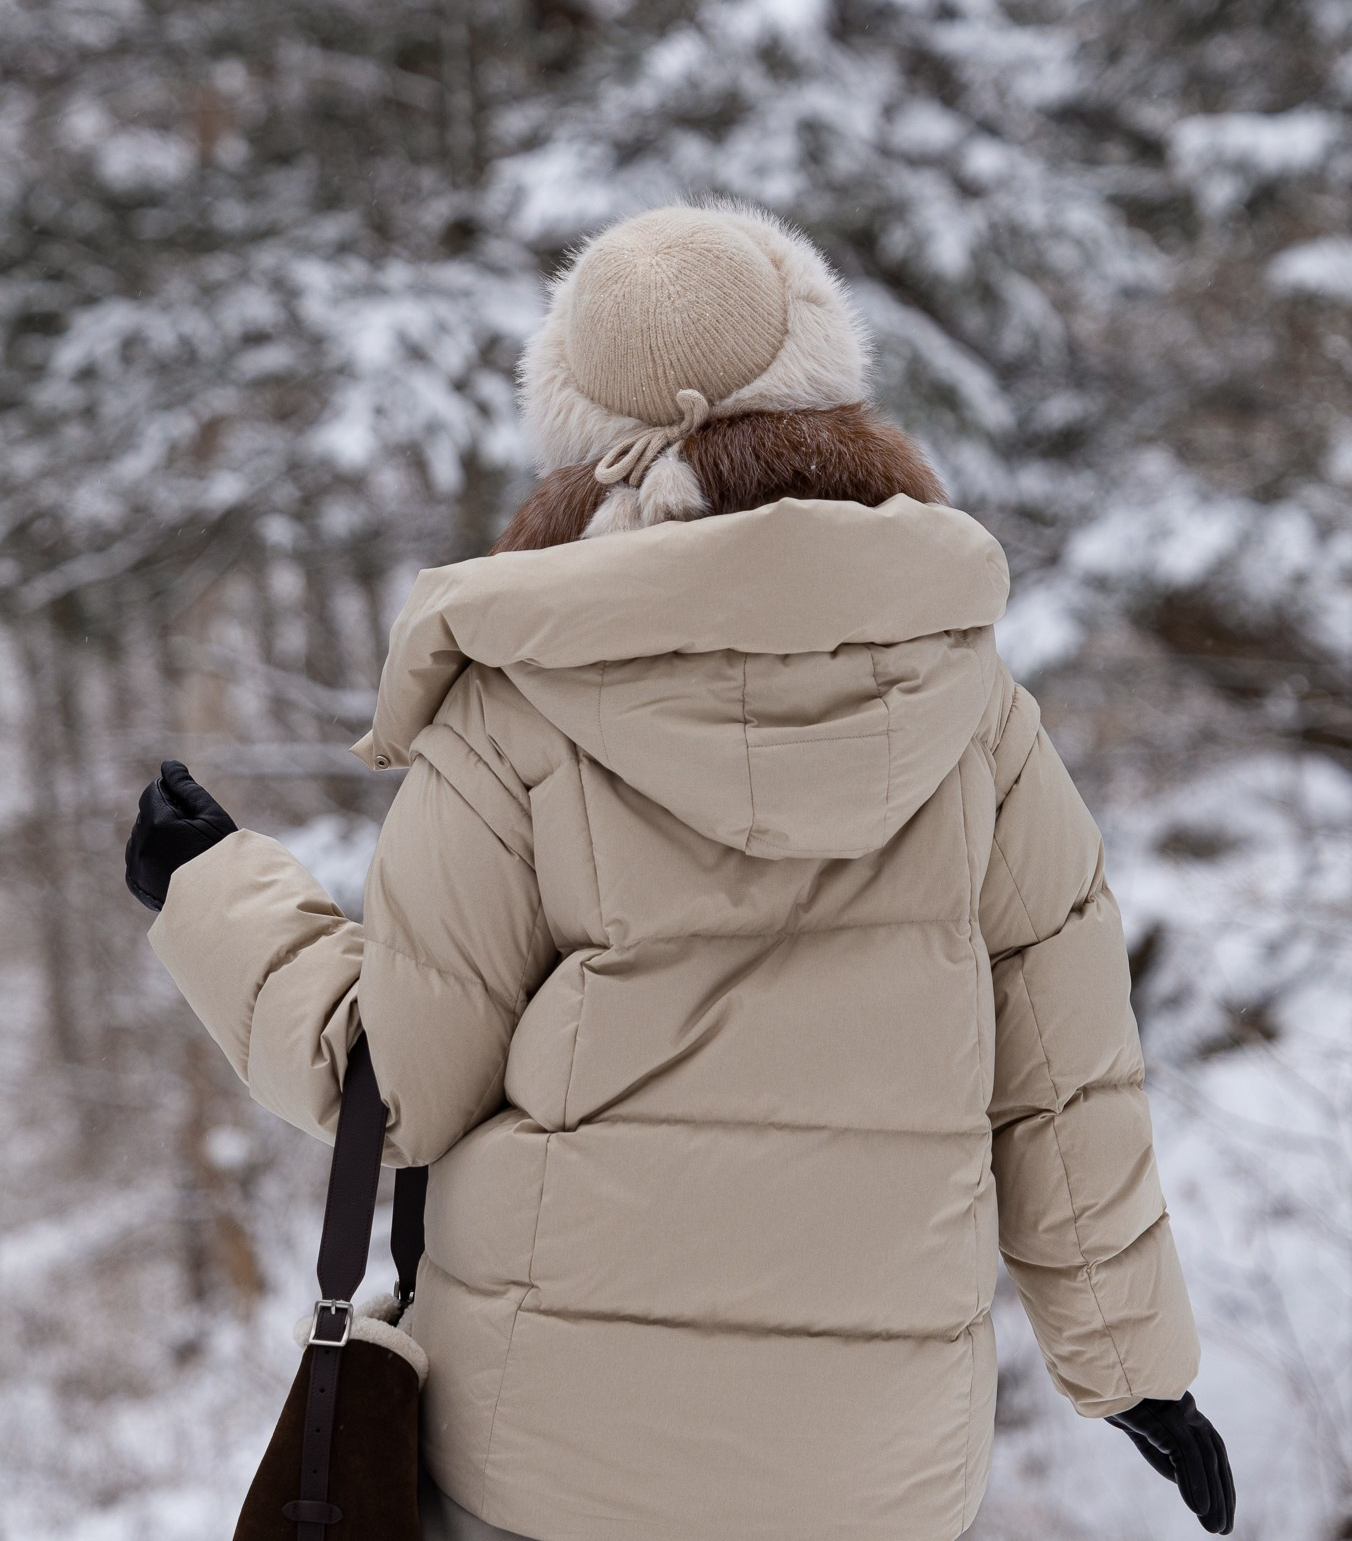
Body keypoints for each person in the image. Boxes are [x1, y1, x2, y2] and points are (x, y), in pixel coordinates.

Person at [125, 202, 1235, 1540]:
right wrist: (1137, 1373)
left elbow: (399, 1088)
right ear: (824, 383)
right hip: (874, 1469)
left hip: (550, 1453)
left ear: (578, 423)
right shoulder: (978, 715)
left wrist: (213, 895)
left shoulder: (512, 711)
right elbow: (1067, 1077)